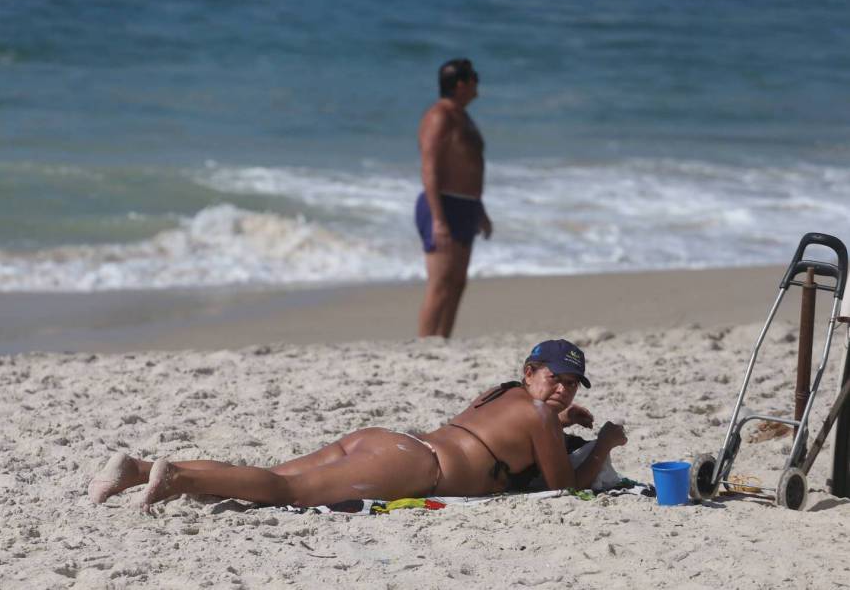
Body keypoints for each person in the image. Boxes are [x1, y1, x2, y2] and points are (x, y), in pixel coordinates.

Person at [89, 339, 628, 510]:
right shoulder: (538, 415)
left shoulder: (503, 394)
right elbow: (564, 490)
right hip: (415, 463)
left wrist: (557, 418)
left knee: (270, 478)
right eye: (554, 379)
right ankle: (174, 477)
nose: (562, 390)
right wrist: (601, 442)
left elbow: (495, 431)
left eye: (572, 385)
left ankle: (137, 468)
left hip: (389, 441)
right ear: (530, 373)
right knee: (285, 490)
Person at [416, 58, 493, 338]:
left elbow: (469, 165)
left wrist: (480, 210)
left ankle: (442, 340)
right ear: (461, 84)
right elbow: (429, 167)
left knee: (458, 282)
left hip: (467, 205)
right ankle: (424, 344)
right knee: (440, 283)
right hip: (443, 204)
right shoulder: (440, 115)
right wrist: (438, 219)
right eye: (474, 78)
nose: (477, 83)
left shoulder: (462, 115)